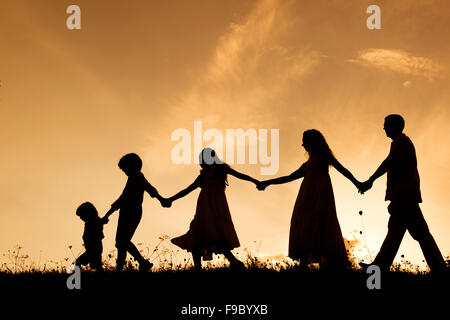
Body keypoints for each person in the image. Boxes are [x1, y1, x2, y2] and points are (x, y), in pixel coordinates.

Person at [258, 129, 360, 270]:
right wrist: (267, 182)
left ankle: (323, 263)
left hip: (320, 197)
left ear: (313, 142)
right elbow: (289, 177)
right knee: (303, 225)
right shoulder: (307, 164)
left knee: (319, 224)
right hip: (305, 198)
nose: (303, 145)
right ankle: (304, 262)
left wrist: (357, 183)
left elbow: (342, 169)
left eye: (305, 142)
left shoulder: (324, 155)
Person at [358, 114, 446, 273]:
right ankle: (440, 269)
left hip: (404, 196)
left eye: (386, 124)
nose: (383, 128)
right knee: (421, 234)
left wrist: (371, 179)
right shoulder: (402, 142)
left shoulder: (400, 142)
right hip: (407, 195)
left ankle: (378, 268)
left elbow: (390, 161)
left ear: (394, 125)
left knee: (396, 231)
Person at [165, 148, 259, 270]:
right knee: (197, 235)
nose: (200, 162)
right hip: (203, 210)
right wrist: (171, 199)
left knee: (217, 235)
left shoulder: (220, 169)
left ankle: (235, 262)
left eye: (202, 159)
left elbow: (240, 175)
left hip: (217, 209)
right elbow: (188, 189)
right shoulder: (203, 176)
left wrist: (255, 181)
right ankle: (201, 267)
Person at [102, 153, 169, 271]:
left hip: (132, 211)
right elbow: (122, 199)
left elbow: (150, 189)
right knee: (120, 243)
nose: (124, 172)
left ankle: (140, 263)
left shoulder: (137, 177)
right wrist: (107, 215)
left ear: (132, 166)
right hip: (126, 211)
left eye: (125, 169)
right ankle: (124, 267)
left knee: (122, 242)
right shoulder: (133, 178)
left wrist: (161, 200)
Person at [75, 202, 105, 270]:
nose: (80, 218)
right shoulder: (94, 221)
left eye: (81, 215)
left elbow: (97, 235)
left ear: (86, 213)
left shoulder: (91, 222)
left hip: (93, 248)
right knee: (97, 266)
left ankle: (77, 280)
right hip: (94, 248)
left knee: (79, 262)